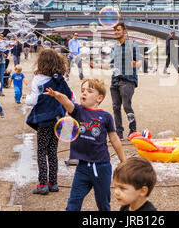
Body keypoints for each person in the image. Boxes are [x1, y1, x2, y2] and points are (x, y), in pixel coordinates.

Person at [44, 78, 125, 211]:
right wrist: (58, 96)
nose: (84, 93)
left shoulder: (106, 117)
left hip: (101, 167)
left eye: (89, 91)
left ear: (99, 98)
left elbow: (114, 139)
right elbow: (67, 102)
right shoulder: (77, 111)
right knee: (73, 203)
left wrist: (123, 161)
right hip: (82, 167)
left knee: (103, 204)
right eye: (82, 91)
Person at [25, 49, 74, 196]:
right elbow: (72, 97)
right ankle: (53, 183)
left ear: (41, 63)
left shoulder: (38, 79)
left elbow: (33, 100)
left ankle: (42, 184)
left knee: (41, 152)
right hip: (58, 120)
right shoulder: (60, 79)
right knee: (52, 152)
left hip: (44, 120)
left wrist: (26, 98)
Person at [90, 22, 142, 141]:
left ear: (124, 31)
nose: (116, 32)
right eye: (115, 30)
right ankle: (119, 133)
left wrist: (135, 64)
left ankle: (133, 130)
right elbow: (111, 65)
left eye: (118, 30)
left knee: (127, 107)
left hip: (128, 80)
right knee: (115, 107)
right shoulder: (115, 47)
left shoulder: (132, 45)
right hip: (115, 80)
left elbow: (139, 61)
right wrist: (97, 66)